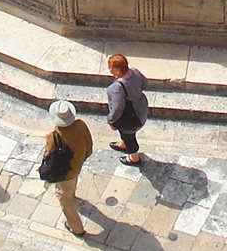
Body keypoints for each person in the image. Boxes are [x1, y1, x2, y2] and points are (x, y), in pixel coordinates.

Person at [43, 100, 93, 236]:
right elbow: (89, 144)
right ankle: (73, 193)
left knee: (65, 199)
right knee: (72, 185)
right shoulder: (81, 126)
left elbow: (48, 155)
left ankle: (76, 228)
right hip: (77, 165)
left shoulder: (53, 136)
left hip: (64, 172)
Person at [105, 54, 148, 165]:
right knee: (126, 134)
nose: (109, 69)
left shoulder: (116, 88)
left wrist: (110, 120)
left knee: (129, 137)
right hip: (140, 109)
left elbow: (117, 109)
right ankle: (123, 144)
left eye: (111, 67)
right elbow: (145, 83)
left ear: (118, 69)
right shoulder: (135, 72)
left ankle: (133, 157)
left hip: (129, 118)